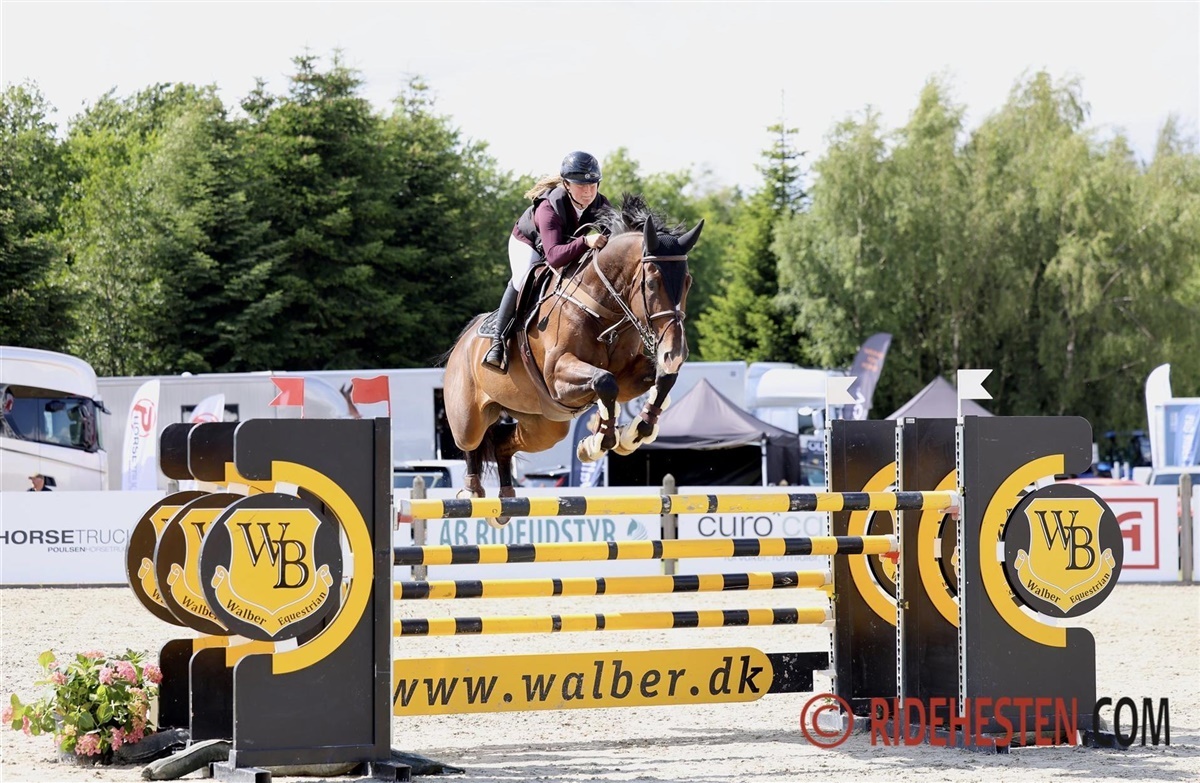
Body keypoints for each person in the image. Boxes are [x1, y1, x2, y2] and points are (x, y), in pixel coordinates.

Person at [482, 150, 613, 373]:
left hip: (563, 243)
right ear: (566, 185)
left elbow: (615, 235)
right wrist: (585, 241)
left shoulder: (600, 203)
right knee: (522, 278)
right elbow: (554, 257)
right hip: (529, 243)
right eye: (581, 185)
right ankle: (497, 341)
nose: (588, 192)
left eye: (593, 185)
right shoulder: (549, 207)